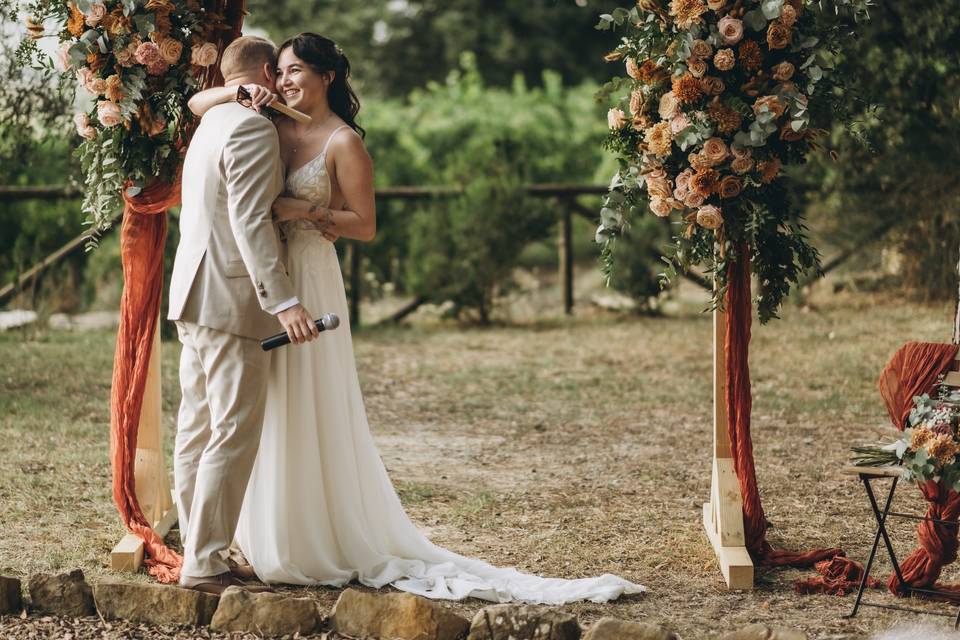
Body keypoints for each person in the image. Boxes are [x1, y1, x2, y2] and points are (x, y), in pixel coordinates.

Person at [187, 32, 644, 604]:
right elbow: (201, 103)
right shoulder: (268, 120)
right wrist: (245, 90)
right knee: (262, 412)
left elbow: (365, 224)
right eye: (278, 71)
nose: (285, 82)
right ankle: (256, 535)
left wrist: (307, 209)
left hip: (310, 276)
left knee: (307, 404)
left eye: (297, 70)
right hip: (267, 287)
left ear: (327, 76)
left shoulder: (342, 140)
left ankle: (312, 536)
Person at [168, 34, 320, 596]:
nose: (281, 82)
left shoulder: (211, 123)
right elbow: (251, 222)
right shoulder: (253, 127)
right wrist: (283, 299)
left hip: (191, 293)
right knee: (231, 430)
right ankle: (205, 563)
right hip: (231, 298)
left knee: (197, 427)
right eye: (276, 71)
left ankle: (199, 551)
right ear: (259, 70)